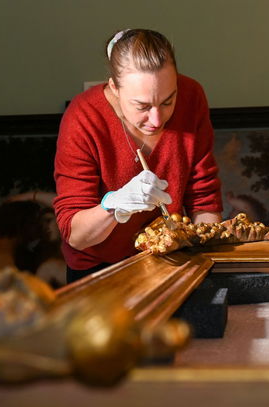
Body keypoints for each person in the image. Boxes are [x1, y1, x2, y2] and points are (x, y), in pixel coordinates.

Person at [54, 29, 223, 283]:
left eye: (168, 101)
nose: (156, 119)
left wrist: (203, 253)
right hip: (99, 270)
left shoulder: (192, 96)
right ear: (114, 88)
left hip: (172, 262)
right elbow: (76, 234)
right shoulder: (83, 116)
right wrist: (115, 205)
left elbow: (204, 200)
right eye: (142, 106)